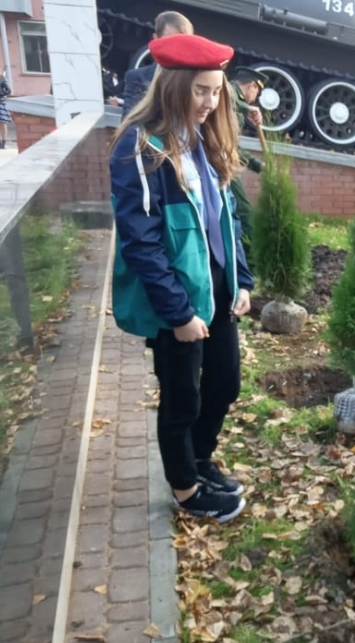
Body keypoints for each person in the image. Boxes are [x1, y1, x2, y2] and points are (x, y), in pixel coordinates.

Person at [110, 33, 253, 521]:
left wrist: (244, 281)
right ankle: (186, 489)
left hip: (216, 288)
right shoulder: (140, 147)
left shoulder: (204, 138)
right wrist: (178, 313)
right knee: (181, 397)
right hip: (176, 299)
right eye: (200, 92)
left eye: (216, 92)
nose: (211, 104)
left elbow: (226, 217)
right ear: (171, 86)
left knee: (225, 384)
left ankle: (199, 459)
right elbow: (142, 243)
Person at [121, 10, 194, 117]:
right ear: (156, 39)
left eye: (184, 41)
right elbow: (131, 121)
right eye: (170, 40)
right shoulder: (138, 78)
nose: (178, 47)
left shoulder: (197, 79)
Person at [228, 66, 268, 251]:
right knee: (243, 211)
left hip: (225, 157)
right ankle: (251, 259)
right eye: (257, 92)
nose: (256, 98)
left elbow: (231, 144)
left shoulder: (237, 102)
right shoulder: (228, 90)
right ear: (252, 85)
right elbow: (223, 99)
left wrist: (256, 164)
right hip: (218, 160)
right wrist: (248, 108)